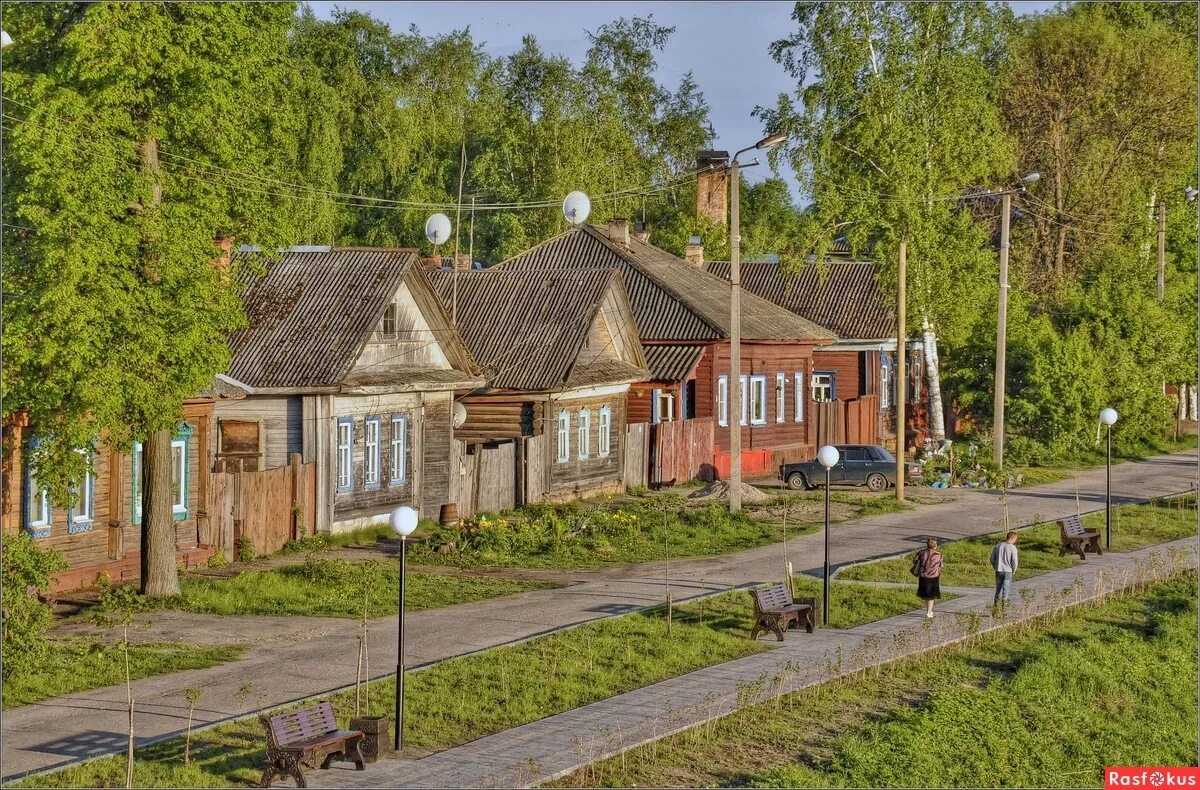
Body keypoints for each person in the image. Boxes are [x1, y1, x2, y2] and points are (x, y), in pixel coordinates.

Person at [914, 537, 943, 618]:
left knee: (926, 595)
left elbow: (915, 561)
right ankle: (929, 612)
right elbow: (941, 565)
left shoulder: (921, 553)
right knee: (931, 596)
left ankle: (928, 610)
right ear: (935, 545)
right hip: (934, 576)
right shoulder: (938, 554)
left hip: (923, 576)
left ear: (927, 544)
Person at [990, 531, 1019, 606]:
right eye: (1015, 539)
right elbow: (1014, 561)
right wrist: (1014, 570)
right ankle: (1004, 608)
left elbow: (992, 558)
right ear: (1013, 538)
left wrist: (995, 566)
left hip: (998, 570)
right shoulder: (1013, 548)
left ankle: (996, 607)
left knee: (998, 588)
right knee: (1006, 589)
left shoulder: (998, 545)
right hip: (1008, 571)